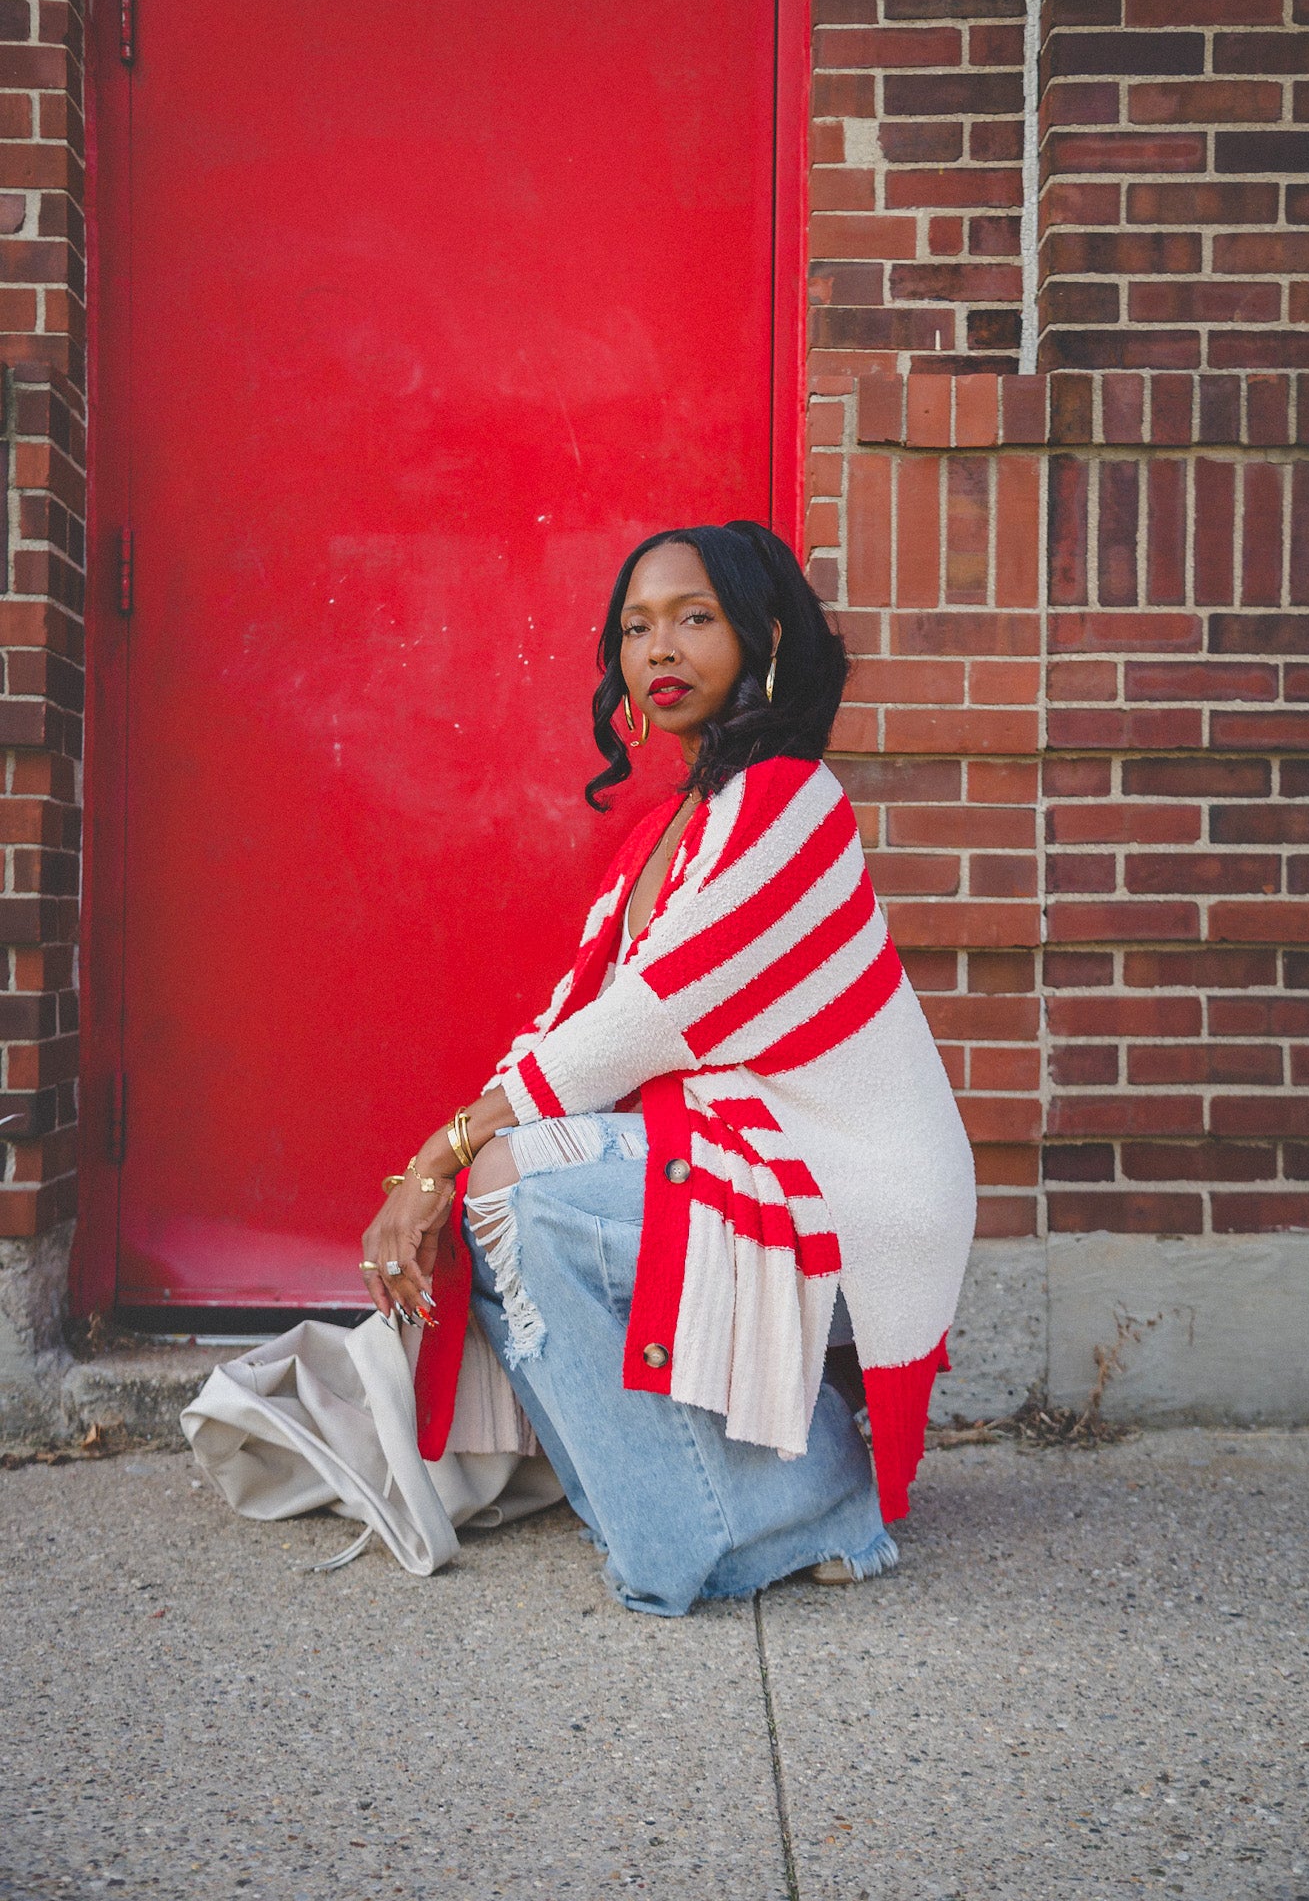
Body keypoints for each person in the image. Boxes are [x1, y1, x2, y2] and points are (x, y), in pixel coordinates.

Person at [360, 521, 975, 1616]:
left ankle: (811, 1498)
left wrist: (442, 1154)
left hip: (848, 1186)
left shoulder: (790, 803)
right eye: (636, 627)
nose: (660, 648)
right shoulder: (667, 830)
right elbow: (568, 1021)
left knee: (510, 1187)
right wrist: (439, 1163)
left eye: (694, 618)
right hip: (747, 1148)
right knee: (494, 1189)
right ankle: (686, 1512)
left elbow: (641, 1023)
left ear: (760, 635)